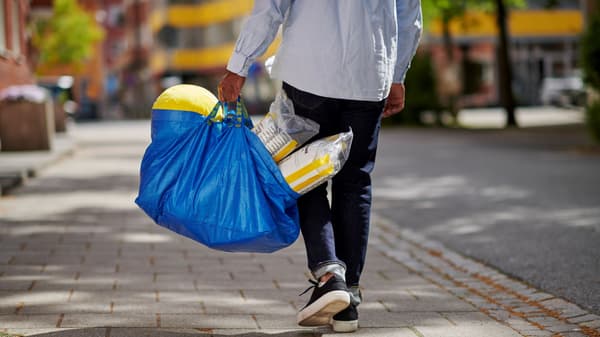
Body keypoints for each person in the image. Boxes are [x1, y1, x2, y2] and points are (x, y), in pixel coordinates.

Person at [219, 0, 422, 332]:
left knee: (302, 174)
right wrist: (397, 74)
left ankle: (330, 275)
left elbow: (271, 7)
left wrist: (238, 65)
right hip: (369, 76)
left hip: (309, 73)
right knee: (354, 182)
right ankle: (348, 300)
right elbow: (409, 14)